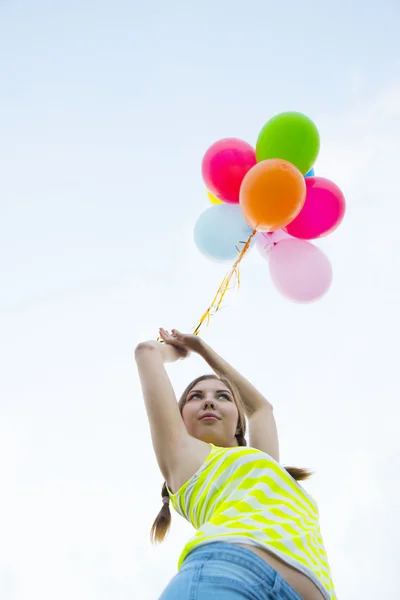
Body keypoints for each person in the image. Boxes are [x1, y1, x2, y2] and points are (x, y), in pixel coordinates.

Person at [135, 328, 337, 600]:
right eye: (196, 397)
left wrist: (203, 349)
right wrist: (179, 352)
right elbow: (146, 353)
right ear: (179, 418)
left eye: (223, 396)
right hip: (226, 577)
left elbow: (261, 409)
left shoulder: (264, 463)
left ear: (239, 424)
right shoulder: (182, 456)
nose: (208, 400)